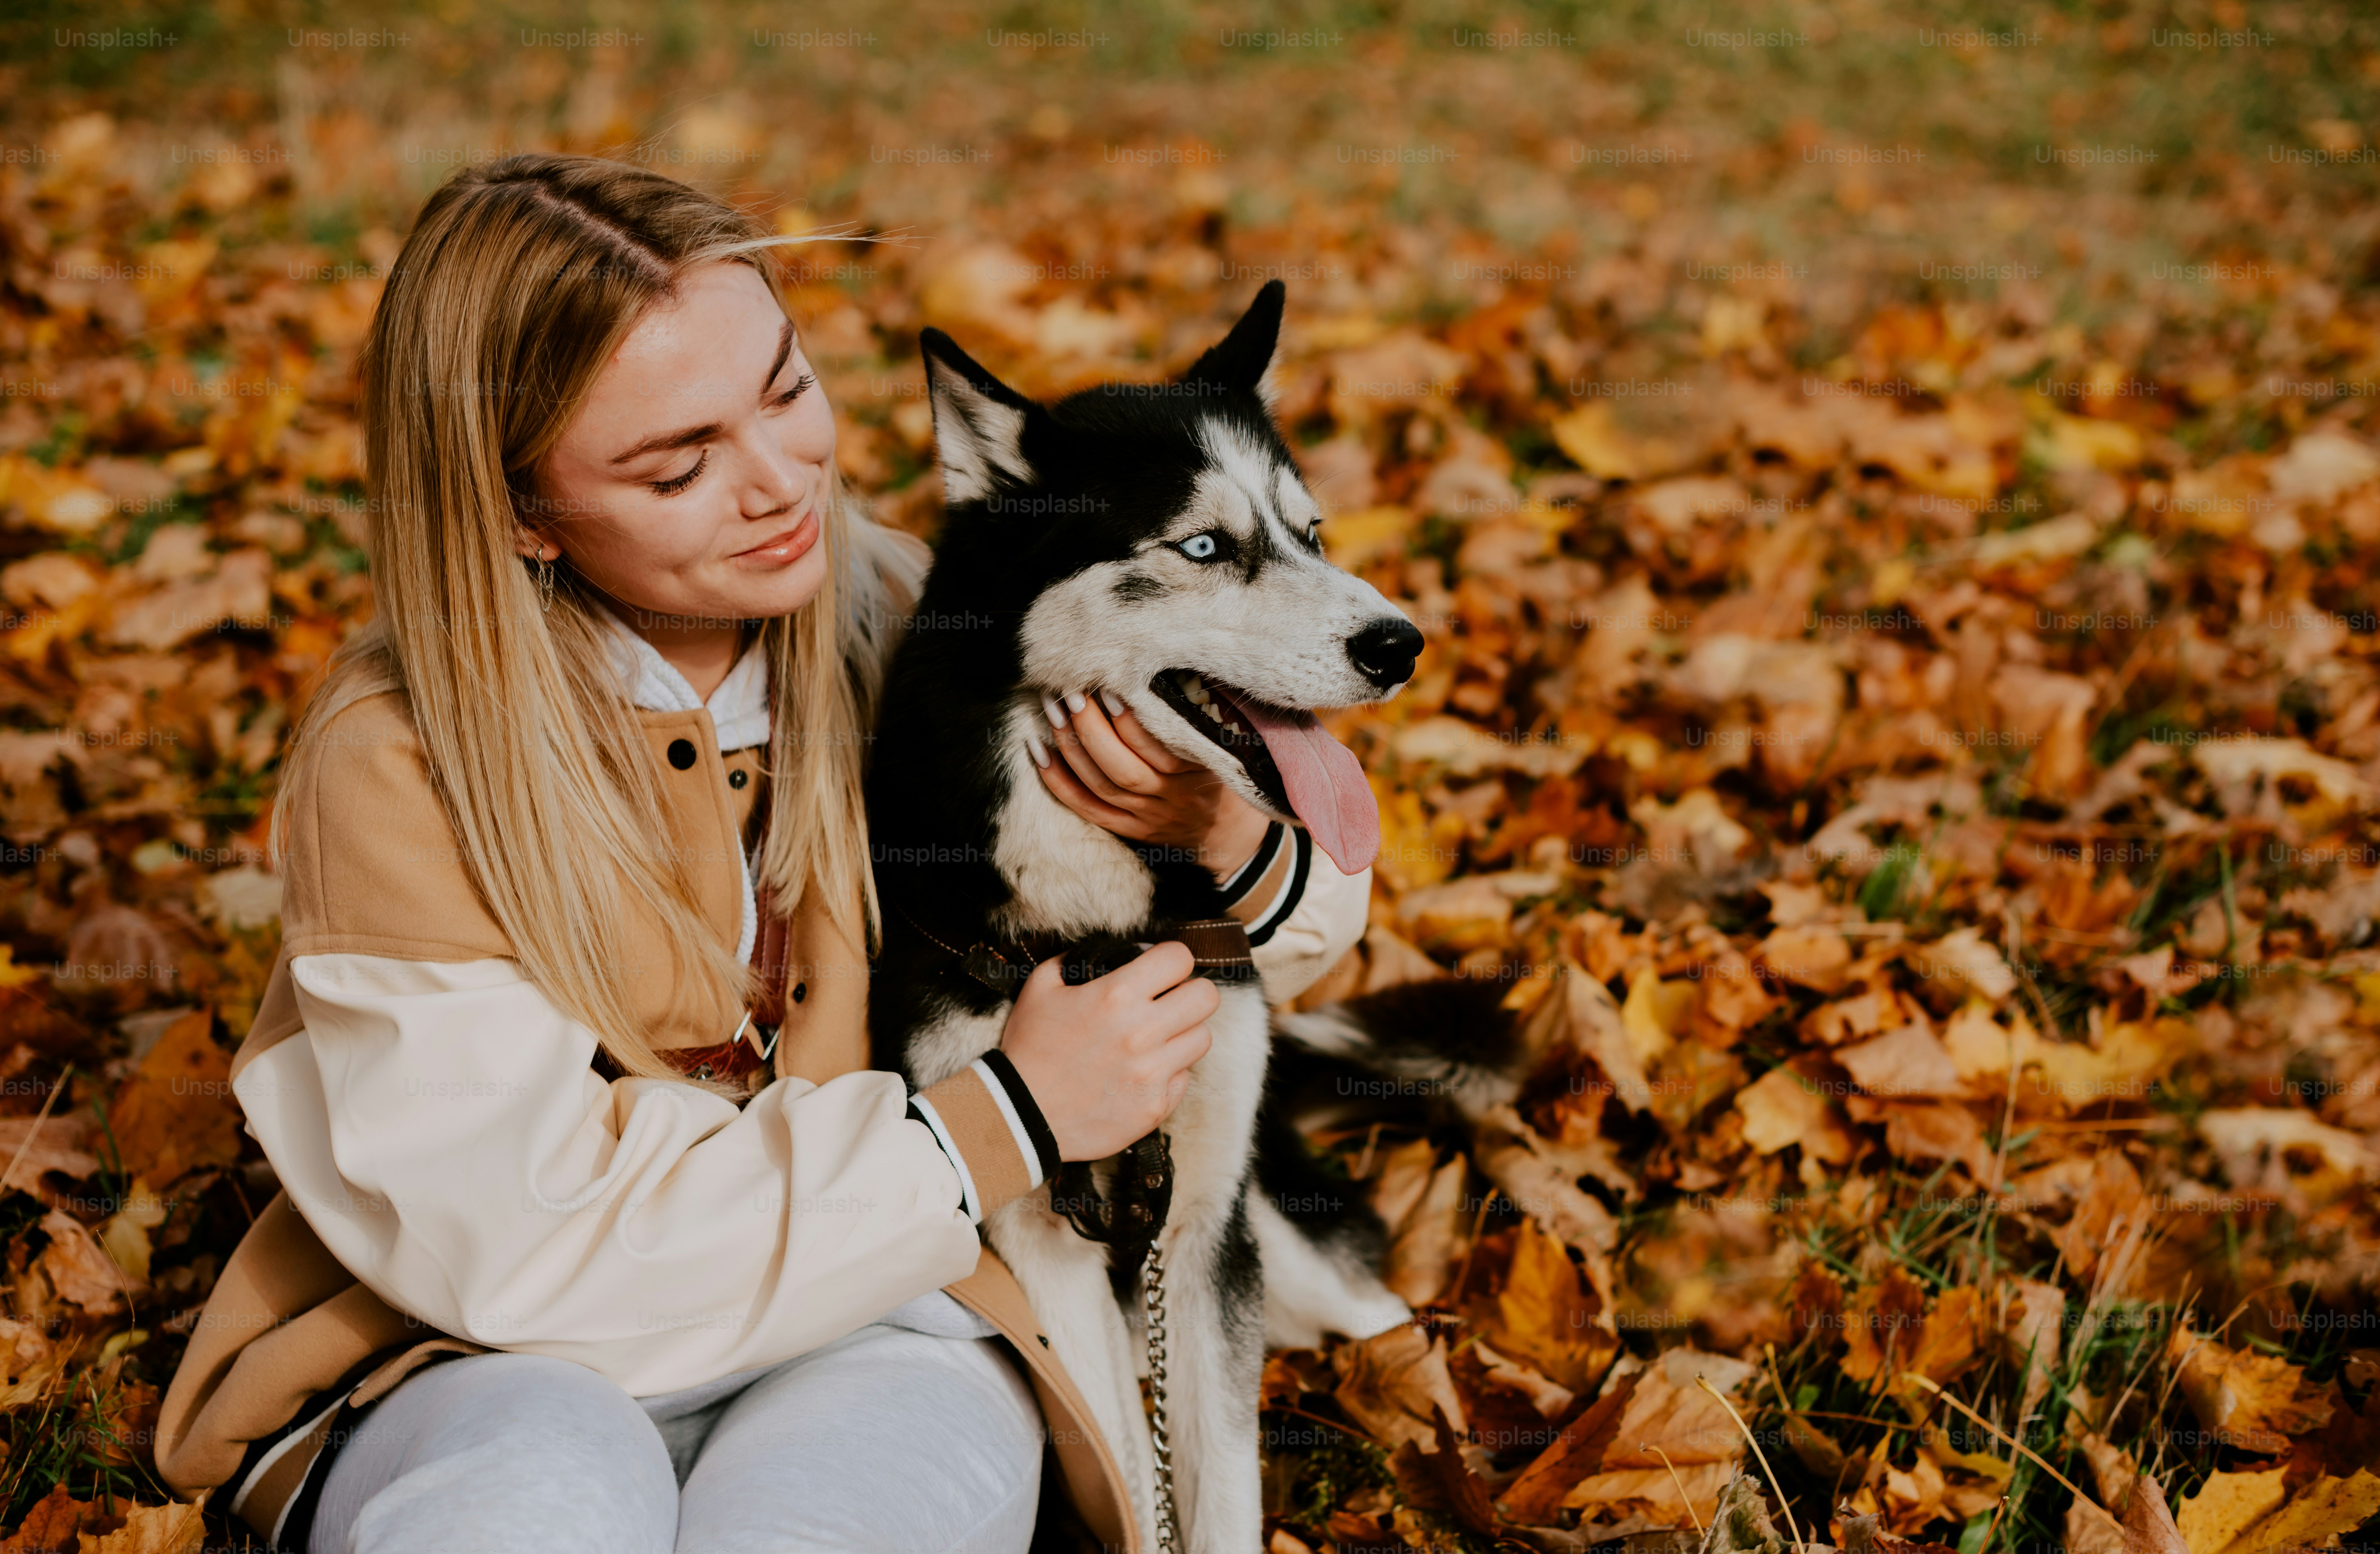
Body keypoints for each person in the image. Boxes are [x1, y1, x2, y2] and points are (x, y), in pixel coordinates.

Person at [151, 152, 1370, 1554]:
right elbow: (523, 1240)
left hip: (888, 1312)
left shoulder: (911, 622)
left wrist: (1214, 829)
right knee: (530, 1515)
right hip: (483, 1355)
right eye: (679, 463)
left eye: (788, 391)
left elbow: (1252, 935)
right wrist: (1000, 1121)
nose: (780, 482)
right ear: (518, 515)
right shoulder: (400, 761)